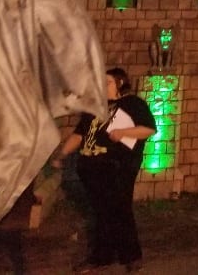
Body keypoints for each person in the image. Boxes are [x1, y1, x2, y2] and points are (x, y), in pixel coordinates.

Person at [53, 67, 156, 273]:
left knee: (120, 209)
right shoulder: (95, 108)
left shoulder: (133, 104)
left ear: (120, 83)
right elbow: (79, 134)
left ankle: (131, 256)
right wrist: (62, 154)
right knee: (101, 212)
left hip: (118, 167)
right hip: (92, 169)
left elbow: (149, 129)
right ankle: (102, 256)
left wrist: (123, 132)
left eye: (107, 82)